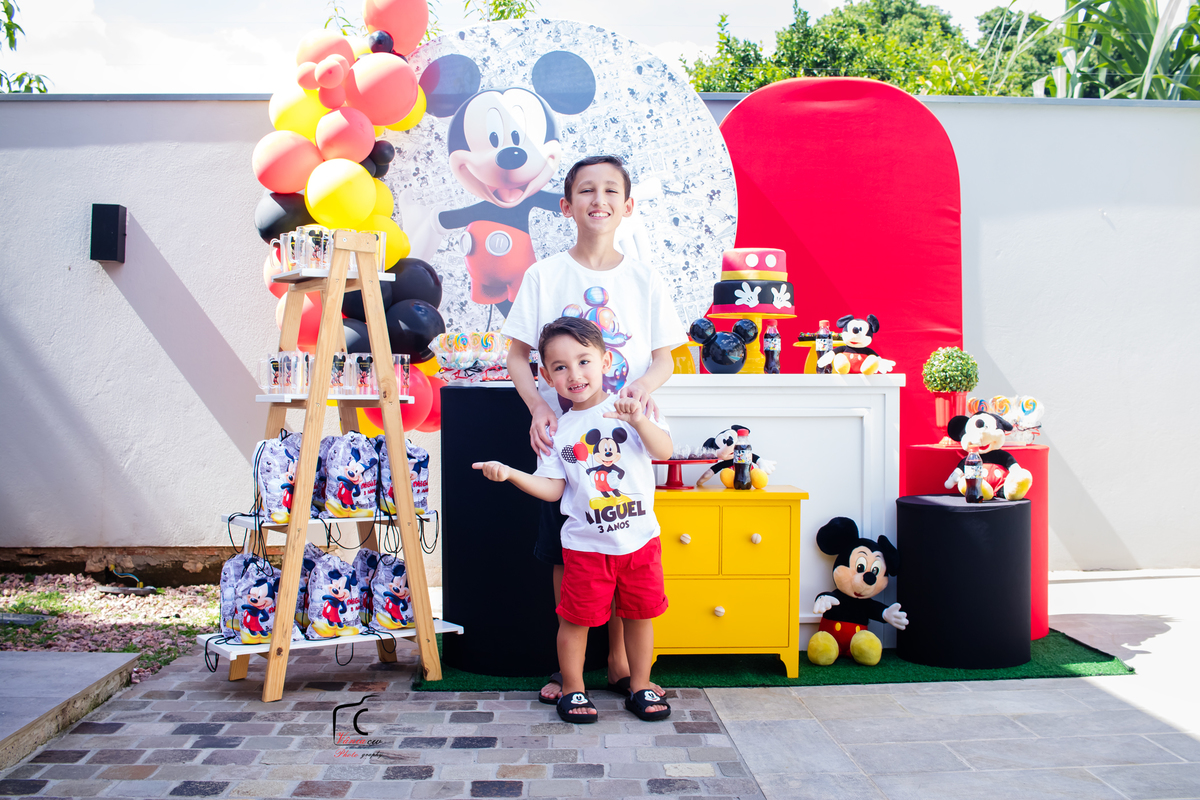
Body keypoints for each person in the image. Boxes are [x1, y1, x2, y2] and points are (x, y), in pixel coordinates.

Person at [502, 154, 687, 704]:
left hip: (626, 436)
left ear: (627, 206)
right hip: (565, 436)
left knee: (627, 547)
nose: (598, 199)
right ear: (567, 205)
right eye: (586, 190)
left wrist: (641, 393)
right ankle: (570, 674)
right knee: (568, 546)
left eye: (610, 190)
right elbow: (516, 357)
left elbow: (665, 359)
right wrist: (539, 407)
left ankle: (620, 664)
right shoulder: (545, 275)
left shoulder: (643, 278)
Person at [474, 317, 673, 722]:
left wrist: (637, 419)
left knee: (639, 615)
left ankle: (639, 685)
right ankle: (575, 689)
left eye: (584, 361)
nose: (575, 374)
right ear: (546, 376)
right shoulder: (560, 432)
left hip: (640, 543)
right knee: (574, 620)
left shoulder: (635, 409)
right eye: (560, 367)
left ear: (605, 360)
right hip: (586, 548)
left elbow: (664, 451)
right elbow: (553, 488)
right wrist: (511, 474)